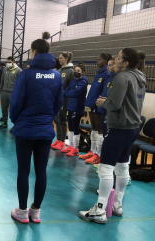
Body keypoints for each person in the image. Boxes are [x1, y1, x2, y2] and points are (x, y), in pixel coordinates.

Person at [79, 48, 146, 224]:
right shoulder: (140, 76)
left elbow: (115, 104)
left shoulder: (122, 78)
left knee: (106, 168)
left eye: (117, 57)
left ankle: (100, 210)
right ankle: (116, 205)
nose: (114, 60)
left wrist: (103, 102)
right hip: (133, 128)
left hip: (119, 128)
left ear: (125, 63)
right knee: (123, 168)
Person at [9, 32, 63, 224]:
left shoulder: (26, 74)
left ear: (33, 52)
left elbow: (16, 102)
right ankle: (36, 211)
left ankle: (22, 211)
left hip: (25, 128)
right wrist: (47, 118)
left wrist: (16, 120)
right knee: (41, 171)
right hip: (45, 129)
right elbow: (58, 102)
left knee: (23, 170)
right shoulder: (57, 75)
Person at [80, 53, 112, 164]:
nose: (97, 61)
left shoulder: (107, 73)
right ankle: (92, 151)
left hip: (99, 104)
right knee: (93, 128)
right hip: (92, 103)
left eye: (99, 60)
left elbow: (103, 91)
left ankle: (98, 154)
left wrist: (99, 102)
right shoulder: (99, 71)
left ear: (106, 60)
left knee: (99, 129)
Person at [61, 63, 88, 156]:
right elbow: (67, 91)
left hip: (77, 107)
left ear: (83, 72)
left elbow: (75, 93)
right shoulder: (73, 80)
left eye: (78, 71)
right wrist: (70, 93)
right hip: (70, 106)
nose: (76, 73)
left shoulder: (83, 82)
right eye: (75, 71)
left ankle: (76, 148)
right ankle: (71, 146)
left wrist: (70, 93)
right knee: (71, 128)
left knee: (75, 127)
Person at [51, 52, 73, 150]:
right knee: (57, 119)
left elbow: (72, 87)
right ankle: (58, 139)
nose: (59, 60)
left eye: (61, 58)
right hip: (57, 98)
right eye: (59, 58)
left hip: (64, 99)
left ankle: (62, 141)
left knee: (62, 120)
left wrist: (64, 94)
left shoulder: (71, 71)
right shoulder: (59, 70)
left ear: (66, 58)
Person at [0, 56, 22, 129]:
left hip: (13, 93)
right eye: (7, 62)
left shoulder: (19, 70)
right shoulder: (5, 69)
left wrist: (18, 93)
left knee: (13, 109)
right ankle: (5, 122)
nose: (8, 63)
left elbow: (20, 83)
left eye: (9, 62)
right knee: (4, 108)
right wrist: (1, 89)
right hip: (4, 92)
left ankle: (15, 125)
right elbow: (2, 80)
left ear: (13, 62)